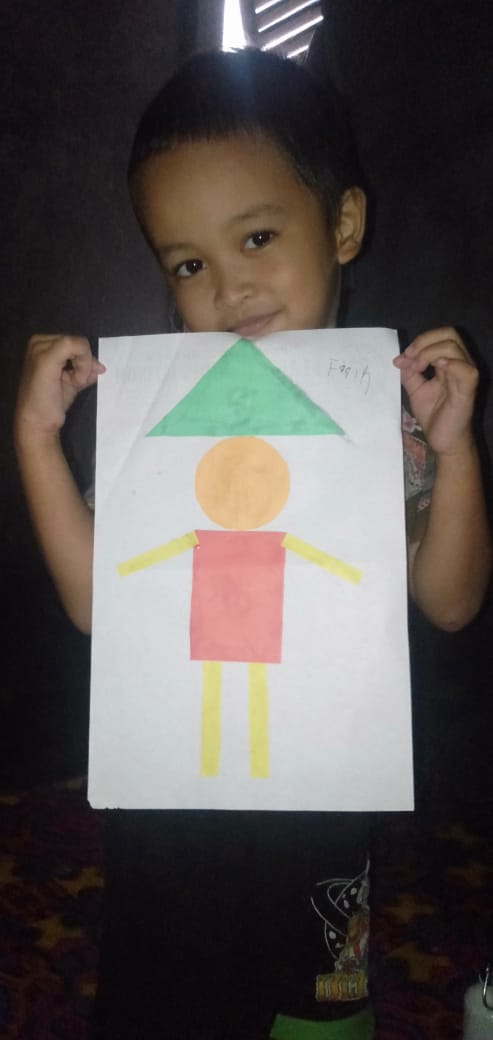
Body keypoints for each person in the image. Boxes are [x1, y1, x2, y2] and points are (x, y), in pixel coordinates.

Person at [14, 48, 491, 1040]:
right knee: (162, 997)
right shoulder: (162, 424)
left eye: (258, 237)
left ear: (343, 224)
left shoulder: (383, 420)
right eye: (189, 263)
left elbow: (449, 601)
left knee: (310, 1007)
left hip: (319, 797)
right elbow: (99, 604)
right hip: (169, 802)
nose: (230, 289)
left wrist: (451, 454)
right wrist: (36, 443)